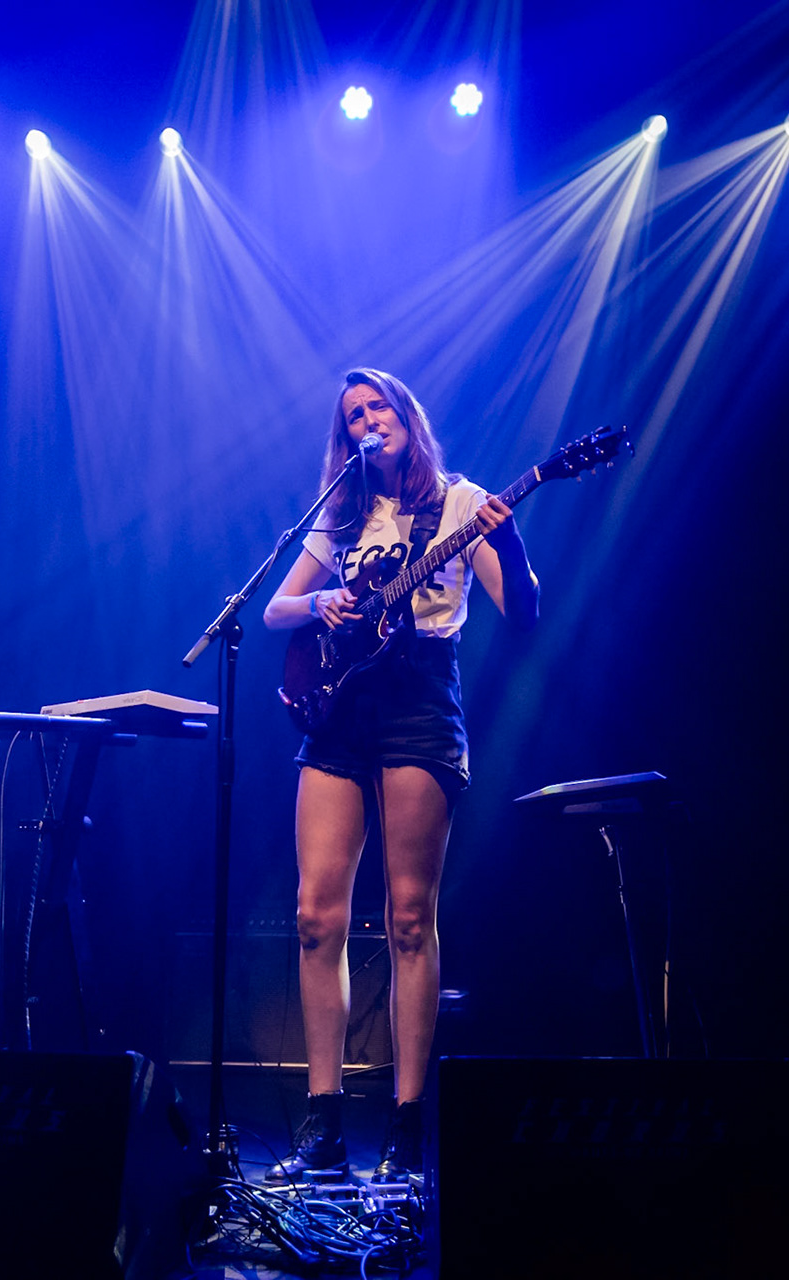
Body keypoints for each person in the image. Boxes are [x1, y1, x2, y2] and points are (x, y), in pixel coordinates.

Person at [261, 368, 540, 1184]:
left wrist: (509, 536)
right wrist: (322, 606)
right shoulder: (342, 512)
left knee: (409, 916)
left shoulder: (458, 500)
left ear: (405, 414)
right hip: (341, 708)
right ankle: (323, 1123)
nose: (365, 420)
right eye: (352, 414)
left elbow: (520, 615)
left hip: (419, 699)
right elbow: (276, 608)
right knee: (317, 915)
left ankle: (409, 1123)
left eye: (376, 405)